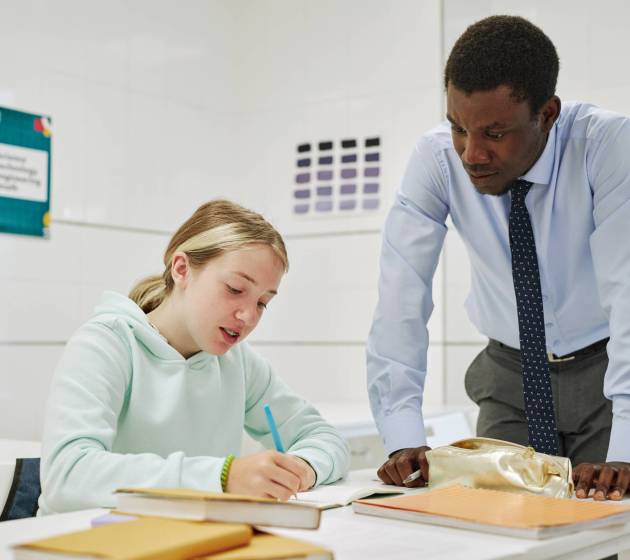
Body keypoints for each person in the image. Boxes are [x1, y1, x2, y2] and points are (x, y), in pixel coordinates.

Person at [368, 15, 630, 501]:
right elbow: (400, 299)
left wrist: (627, 445)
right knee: (496, 530)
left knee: (603, 532)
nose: (471, 153)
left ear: (547, 114)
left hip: (607, 372)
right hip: (508, 375)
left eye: (494, 133)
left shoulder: (607, 146)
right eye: (457, 127)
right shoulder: (434, 160)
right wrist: (402, 436)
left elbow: (628, 292)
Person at [39, 199, 349, 514]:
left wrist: (300, 468)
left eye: (263, 303)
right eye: (235, 289)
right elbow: (67, 476)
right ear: (182, 269)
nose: (248, 316)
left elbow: (322, 437)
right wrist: (223, 477)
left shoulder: (238, 363)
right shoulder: (106, 344)